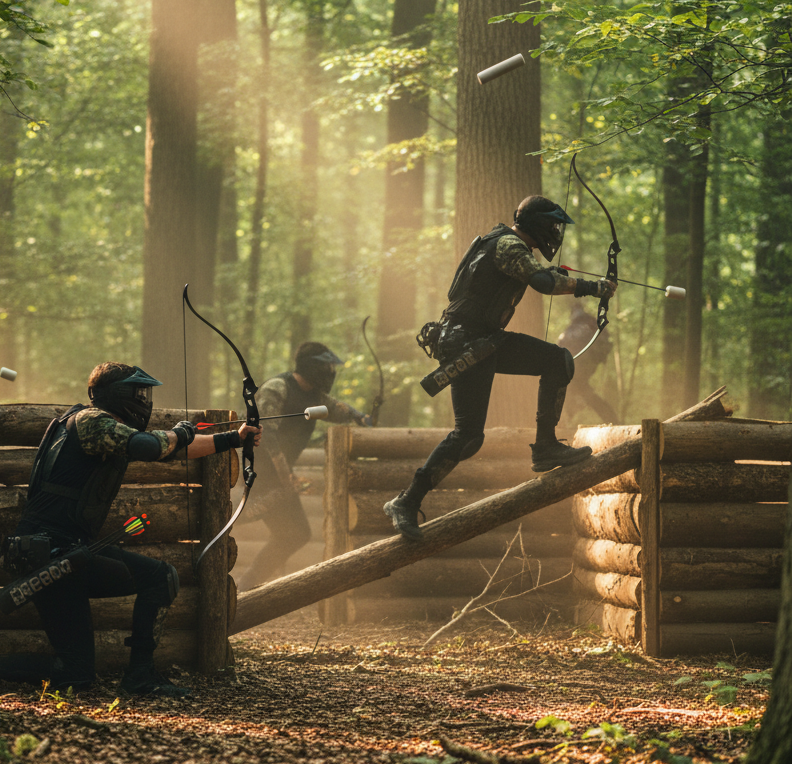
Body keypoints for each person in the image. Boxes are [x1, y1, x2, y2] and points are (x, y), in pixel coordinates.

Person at [0, 361, 263, 699]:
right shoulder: (91, 421)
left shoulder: (105, 427)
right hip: (50, 559)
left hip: (69, 554)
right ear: (117, 394)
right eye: (139, 392)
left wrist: (234, 438)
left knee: (77, 672)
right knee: (158, 579)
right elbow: (149, 446)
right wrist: (179, 433)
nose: (145, 399)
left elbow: (169, 449)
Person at [383, 195, 617, 540]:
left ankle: (546, 447)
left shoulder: (509, 245)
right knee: (468, 436)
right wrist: (592, 287)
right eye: (552, 225)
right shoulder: (508, 243)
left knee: (557, 360)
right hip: (467, 342)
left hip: (486, 339)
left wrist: (575, 282)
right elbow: (542, 282)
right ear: (536, 223)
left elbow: (537, 275)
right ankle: (405, 502)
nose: (555, 232)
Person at [239, 341, 372, 590]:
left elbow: (337, 410)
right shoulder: (278, 388)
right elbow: (265, 435)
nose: (330, 373)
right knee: (230, 519)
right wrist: (285, 474)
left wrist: (361, 417)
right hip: (251, 472)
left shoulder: (315, 398)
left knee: (295, 534)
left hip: (279, 478)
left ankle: (242, 590)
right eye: (327, 368)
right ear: (313, 367)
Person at [557, 303, 620, 425]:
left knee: (576, 391)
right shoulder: (576, 327)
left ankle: (613, 421)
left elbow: (605, 343)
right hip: (577, 367)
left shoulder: (584, 325)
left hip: (578, 367)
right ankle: (613, 420)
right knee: (580, 392)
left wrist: (598, 357)